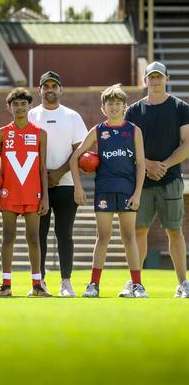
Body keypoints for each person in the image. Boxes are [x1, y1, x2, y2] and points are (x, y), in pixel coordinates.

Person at [70, 85, 147, 298]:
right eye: (109, 104)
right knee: (103, 236)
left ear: (124, 106)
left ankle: (137, 285)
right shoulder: (98, 131)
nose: (114, 107)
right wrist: (78, 186)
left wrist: (138, 193)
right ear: (103, 107)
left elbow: (141, 165)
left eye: (117, 103)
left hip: (128, 191)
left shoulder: (133, 130)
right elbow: (75, 158)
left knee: (129, 236)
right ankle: (93, 285)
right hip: (104, 190)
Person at [0, 88, 51, 298]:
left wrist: (45, 196)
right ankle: (6, 285)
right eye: (15, 104)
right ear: (9, 107)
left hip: (33, 193)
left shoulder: (40, 133)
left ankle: (37, 285)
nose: (19, 107)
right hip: (10, 192)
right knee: (8, 237)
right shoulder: (2, 133)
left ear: (29, 106)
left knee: (34, 238)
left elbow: (42, 168)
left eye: (23, 104)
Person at [124, 61, 189, 298]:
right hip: (141, 182)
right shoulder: (133, 111)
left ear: (167, 79)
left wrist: (164, 165)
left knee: (174, 230)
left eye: (159, 77)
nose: (155, 81)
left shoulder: (180, 107)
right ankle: (135, 284)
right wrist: (148, 164)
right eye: (151, 77)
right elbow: (128, 146)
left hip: (170, 178)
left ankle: (183, 284)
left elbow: (187, 143)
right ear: (145, 81)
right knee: (139, 231)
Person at [28, 71, 87, 297]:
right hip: (37, 185)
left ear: (61, 89)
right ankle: (39, 281)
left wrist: (58, 173)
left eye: (54, 85)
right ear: (40, 90)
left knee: (65, 233)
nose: (50, 89)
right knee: (38, 234)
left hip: (66, 183)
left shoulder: (72, 116)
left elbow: (79, 151)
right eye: (46, 86)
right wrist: (44, 177)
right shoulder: (31, 115)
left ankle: (66, 282)